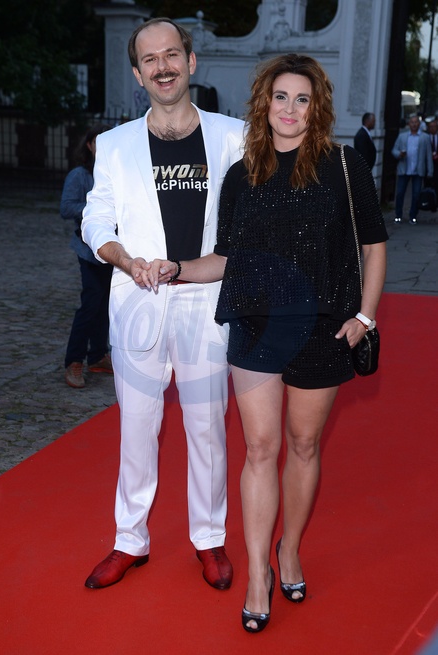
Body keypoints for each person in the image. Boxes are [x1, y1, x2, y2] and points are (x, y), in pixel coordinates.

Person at [150, 53, 388, 632]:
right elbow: (226, 258)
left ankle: (289, 549)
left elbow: (374, 245)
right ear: (264, 103)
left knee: (303, 445)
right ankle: (259, 573)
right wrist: (176, 268)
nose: (289, 108)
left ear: (316, 107)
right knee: (260, 448)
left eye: (302, 99)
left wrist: (365, 315)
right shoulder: (241, 175)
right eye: (281, 96)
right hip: (257, 327)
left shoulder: (344, 166)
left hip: (324, 327)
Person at [81, 18, 244, 591]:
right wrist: (126, 260)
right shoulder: (114, 145)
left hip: (205, 299)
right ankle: (130, 539)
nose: (163, 67)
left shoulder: (234, 136)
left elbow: (253, 214)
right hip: (139, 300)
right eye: (150, 59)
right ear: (137, 73)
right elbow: (96, 220)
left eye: (172, 54)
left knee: (207, 429)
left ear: (190, 62)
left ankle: (210, 538)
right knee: (136, 430)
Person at [61, 123, 114, 388]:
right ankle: (74, 361)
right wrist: (96, 209)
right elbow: (66, 207)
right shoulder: (80, 175)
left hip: (113, 249)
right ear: (90, 145)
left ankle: (97, 355)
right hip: (88, 251)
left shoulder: (116, 172)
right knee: (91, 303)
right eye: (98, 141)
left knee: (105, 304)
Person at [392, 114, 433, 224]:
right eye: (412, 122)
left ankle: (413, 216)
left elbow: (428, 155)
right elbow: (394, 150)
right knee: (400, 193)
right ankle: (398, 215)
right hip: (404, 169)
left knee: (416, 195)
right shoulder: (402, 136)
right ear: (409, 124)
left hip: (418, 170)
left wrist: (430, 171)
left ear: (419, 124)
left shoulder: (424, 137)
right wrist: (399, 154)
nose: (414, 124)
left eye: (416, 122)